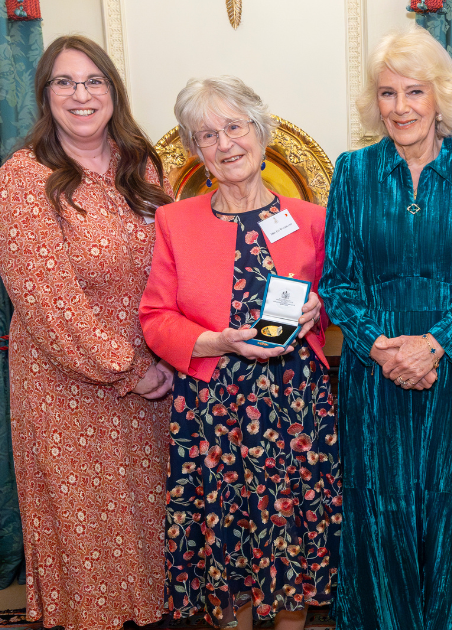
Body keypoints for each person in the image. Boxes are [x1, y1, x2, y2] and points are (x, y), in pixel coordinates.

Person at [318, 27, 452, 630]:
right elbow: (336, 281)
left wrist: (433, 346)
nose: (400, 108)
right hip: (374, 375)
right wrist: (383, 349)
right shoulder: (350, 172)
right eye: (387, 94)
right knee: (382, 516)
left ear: (442, 97)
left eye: (414, 92)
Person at [0, 35, 174, 630]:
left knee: (149, 515)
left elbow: (178, 261)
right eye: (65, 82)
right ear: (45, 96)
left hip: (152, 377)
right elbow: (49, 302)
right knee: (89, 529)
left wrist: (178, 346)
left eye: (94, 81)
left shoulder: (141, 164)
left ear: (113, 93)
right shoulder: (23, 179)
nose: (81, 94)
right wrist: (129, 368)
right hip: (68, 384)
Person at [139, 77, 339, 630]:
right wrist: (217, 341)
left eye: (235, 126)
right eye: (208, 134)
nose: (225, 143)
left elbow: (338, 302)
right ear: (193, 149)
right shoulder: (174, 221)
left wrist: (319, 306)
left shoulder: (312, 220)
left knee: (291, 537)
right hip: (214, 409)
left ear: (261, 132)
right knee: (226, 538)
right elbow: (156, 319)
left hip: (296, 407)